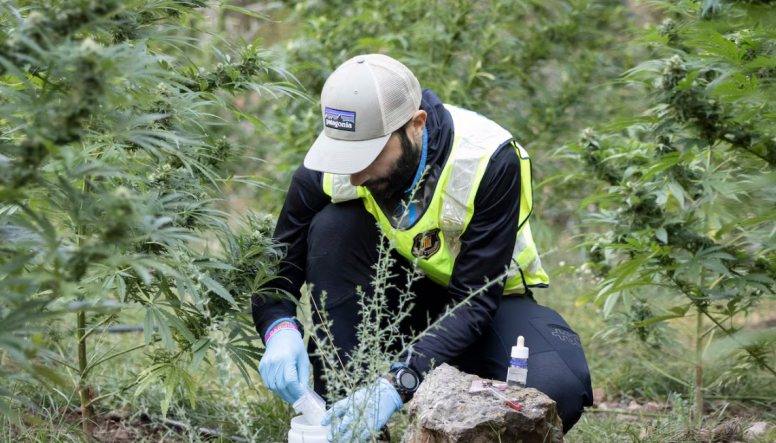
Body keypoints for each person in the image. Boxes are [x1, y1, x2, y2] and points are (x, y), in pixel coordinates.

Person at [252, 54, 594, 441]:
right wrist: (278, 327)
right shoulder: (337, 162)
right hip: (393, 306)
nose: (355, 174)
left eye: (369, 156)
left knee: (556, 388)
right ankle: (348, 416)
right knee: (335, 225)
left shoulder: (487, 159)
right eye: (346, 156)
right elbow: (276, 272)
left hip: (482, 310)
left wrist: (398, 382)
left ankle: (455, 407)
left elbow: (474, 302)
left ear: (416, 125)